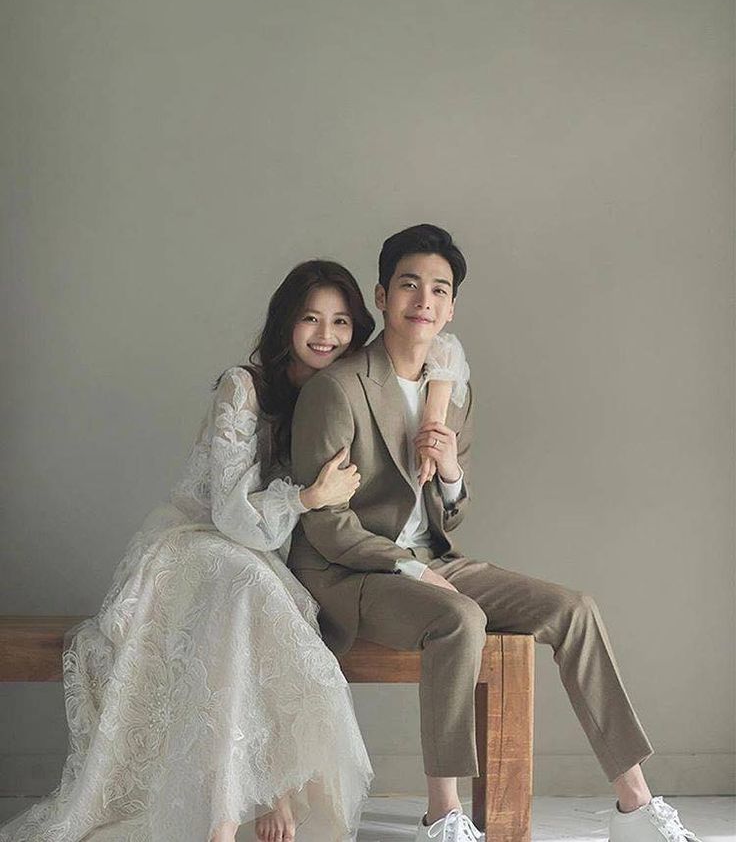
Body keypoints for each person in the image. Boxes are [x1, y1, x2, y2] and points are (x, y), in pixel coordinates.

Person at [0, 258, 472, 842]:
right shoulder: (243, 387)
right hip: (202, 544)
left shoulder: (341, 391)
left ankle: (271, 790)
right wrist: (307, 496)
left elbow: (440, 352)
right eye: (311, 319)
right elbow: (228, 510)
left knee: (270, 601)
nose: (326, 335)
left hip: (269, 556)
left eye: (342, 322)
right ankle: (229, 819)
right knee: (246, 589)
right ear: (285, 324)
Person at [287, 225, 704, 842]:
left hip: (434, 560)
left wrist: (452, 474)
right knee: (458, 618)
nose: (422, 300)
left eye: (439, 289)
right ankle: (444, 813)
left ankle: (634, 804)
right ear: (380, 296)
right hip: (351, 572)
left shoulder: (452, 389)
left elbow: (448, 516)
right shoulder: (336, 389)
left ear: (451, 307)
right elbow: (323, 525)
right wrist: (405, 568)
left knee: (575, 609)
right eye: (408, 284)